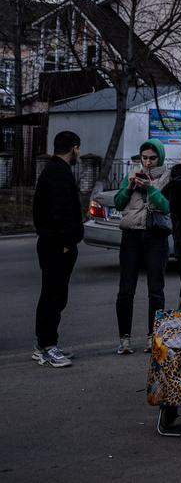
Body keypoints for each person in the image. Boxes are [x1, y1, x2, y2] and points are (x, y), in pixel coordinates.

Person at [113, 138, 172, 355]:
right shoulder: (131, 174)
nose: (147, 162)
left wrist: (151, 189)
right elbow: (119, 203)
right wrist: (128, 187)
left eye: (152, 158)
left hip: (155, 236)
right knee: (125, 290)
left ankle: (152, 336)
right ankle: (124, 338)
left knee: (156, 289)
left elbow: (167, 207)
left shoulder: (168, 177)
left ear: (160, 157)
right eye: (144, 158)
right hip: (131, 235)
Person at [32, 131, 83, 368]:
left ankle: (46, 345)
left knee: (53, 295)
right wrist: (65, 243)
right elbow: (59, 213)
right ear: (74, 148)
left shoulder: (53, 171)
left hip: (53, 244)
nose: (78, 154)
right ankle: (47, 347)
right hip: (56, 247)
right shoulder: (58, 174)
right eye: (78, 149)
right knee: (53, 296)